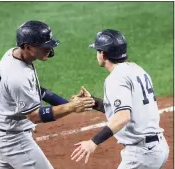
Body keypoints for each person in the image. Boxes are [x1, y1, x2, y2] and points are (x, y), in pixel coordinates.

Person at [0, 20, 95, 169]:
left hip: (1, 131)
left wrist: (67, 103)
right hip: (13, 140)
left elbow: (37, 90)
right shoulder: (17, 76)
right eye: (44, 46)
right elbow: (35, 115)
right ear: (27, 47)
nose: (49, 49)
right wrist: (71, 108)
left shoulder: (14, 54)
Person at [71, 29, 169, 169]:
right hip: (157, 148)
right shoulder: (137, 70)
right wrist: (95, 102)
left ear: (103, 54)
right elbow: (130, 107)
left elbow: (123, 117)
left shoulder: (116, 78)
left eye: (97, 51)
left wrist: (93, 142)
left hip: (142, 154)